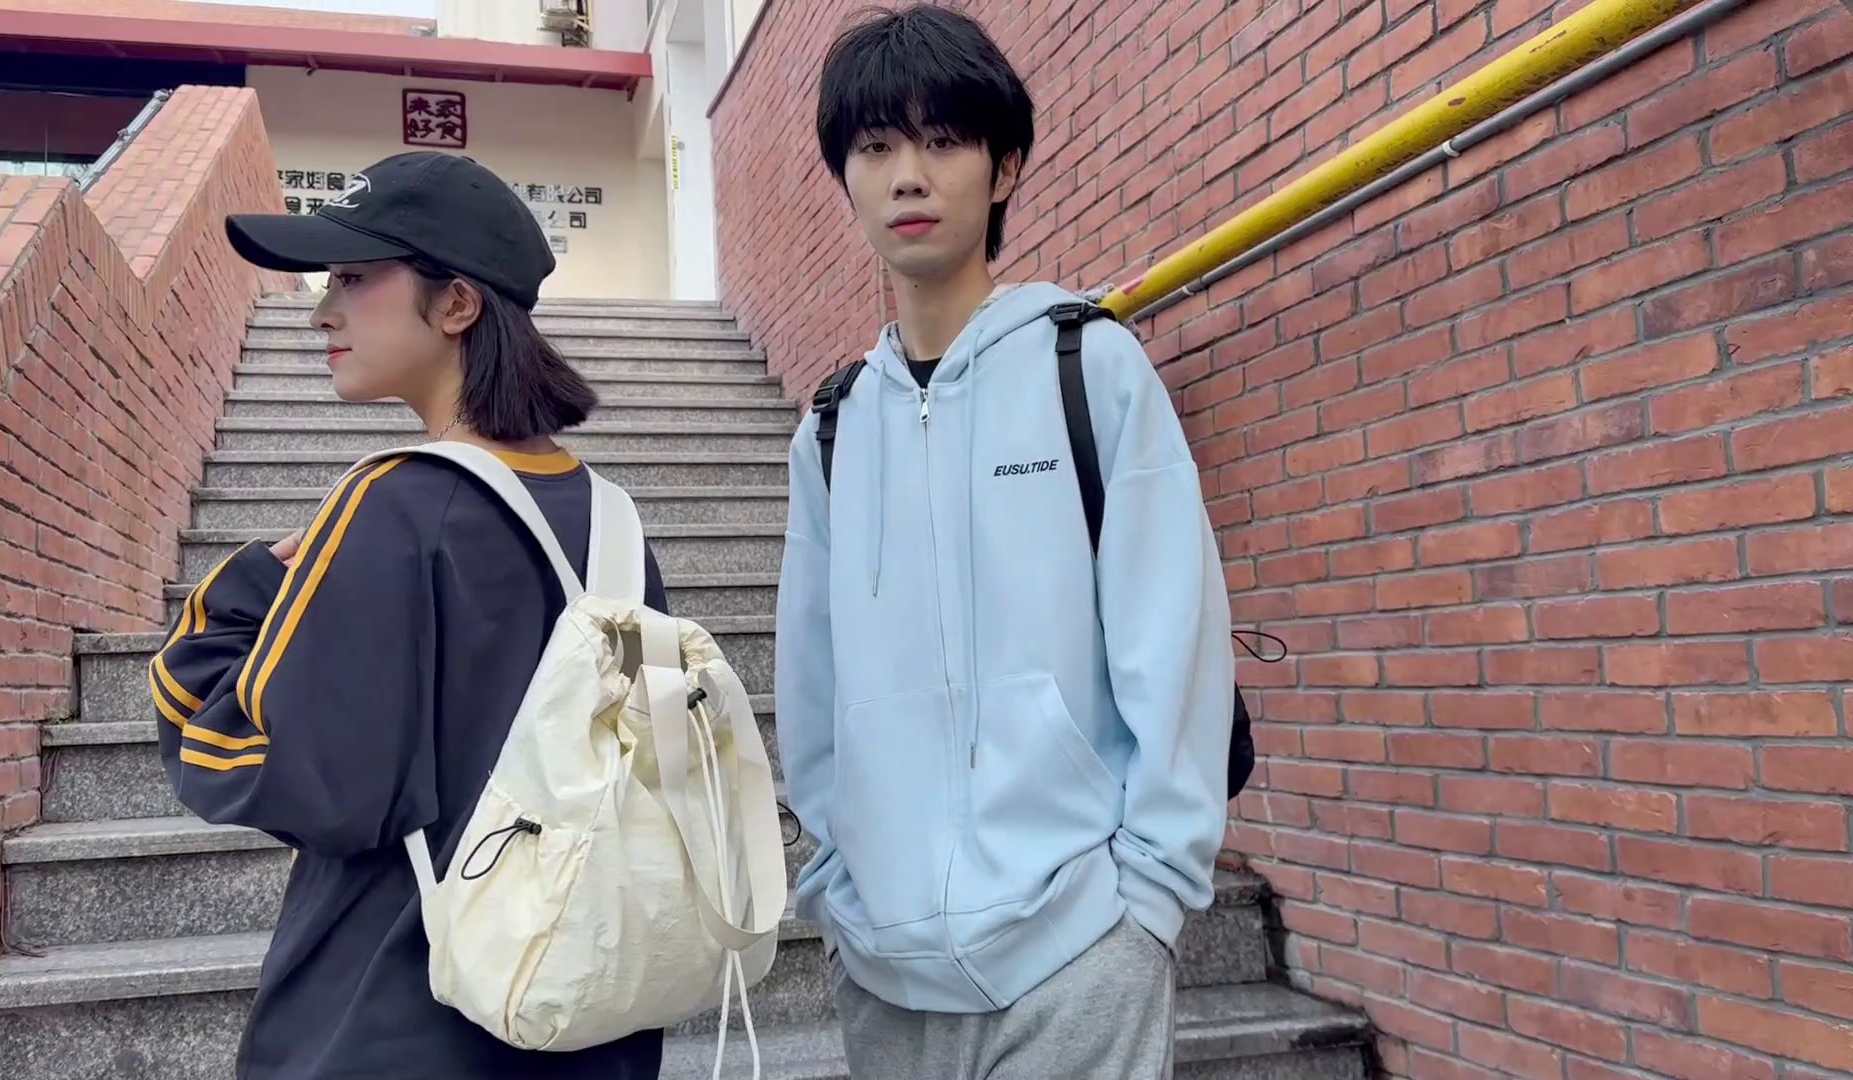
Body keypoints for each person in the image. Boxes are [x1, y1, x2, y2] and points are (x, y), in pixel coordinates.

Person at [773, 5, 1237, 1078]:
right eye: (875, 147)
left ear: (1006, 168)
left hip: (1080, 955)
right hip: (883, 972)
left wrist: (1149, 902)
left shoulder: (1090, 368)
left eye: (943, 141)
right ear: (845, 176)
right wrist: (837, 891)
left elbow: (1173, 641)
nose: (908, 177)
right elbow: (811, 684)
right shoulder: (832, 429)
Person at [151, 150, 666, 1080]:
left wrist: (242, 591)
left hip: (394, 1013)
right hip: (586, 1010)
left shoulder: (392, 504)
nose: (321, 312)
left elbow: (261, 763)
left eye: (352, 279)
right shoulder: (613, 521)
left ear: (457, 304)